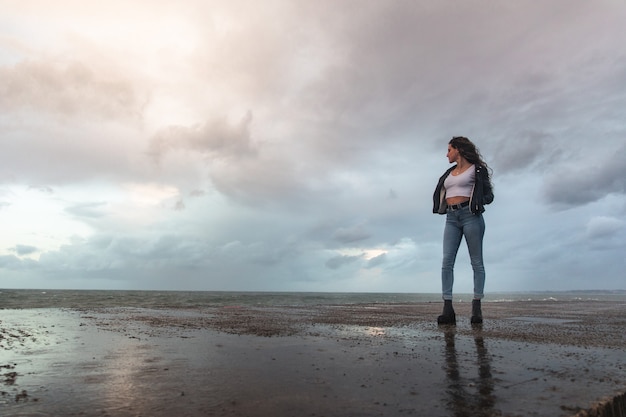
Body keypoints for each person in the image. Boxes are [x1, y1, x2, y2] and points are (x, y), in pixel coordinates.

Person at [432, 136, 494, 325]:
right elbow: (441, 192)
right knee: (447, 261)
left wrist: (476, 202)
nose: (447, 154)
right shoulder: (449, 173)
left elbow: (489, 195)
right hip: (451, 218)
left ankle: (476, 307)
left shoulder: (477, 170)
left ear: (458, 149)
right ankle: (447, 308)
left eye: (449, 150)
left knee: (476, 262)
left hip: (471, 216)